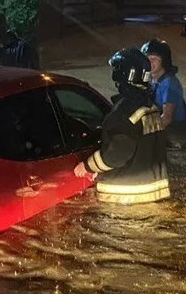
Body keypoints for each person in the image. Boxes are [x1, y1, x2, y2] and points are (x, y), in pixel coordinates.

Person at [73, 48, 170, 204]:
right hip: (155, 196)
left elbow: (117, 154)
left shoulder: (123, 113)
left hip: (126, 200)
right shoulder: (151, 107)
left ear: (121, 74)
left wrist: (88, 166)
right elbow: (142, 149)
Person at [142, 39, 186, 148]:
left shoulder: (169, 84)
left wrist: (142, 134)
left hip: (179, 137)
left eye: (154, 59)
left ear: (164, 61)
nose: (150, 63)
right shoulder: (151, 80)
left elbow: (167, 118)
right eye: (147, 59)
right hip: (166, 133)